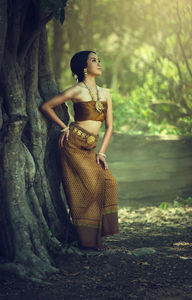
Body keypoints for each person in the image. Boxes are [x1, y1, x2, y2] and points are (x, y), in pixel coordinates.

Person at [40, 50, 118, 251]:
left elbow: (109, 126)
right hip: (73, 145)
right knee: (93, 186)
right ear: (85, 67)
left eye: (99, 60)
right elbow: (47, 106)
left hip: (91, 147)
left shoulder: (106, 93)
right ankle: (91, 242)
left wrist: (101, 153)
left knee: (109, 183)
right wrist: (63, 127)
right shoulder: (76, 90)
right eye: (94, 60)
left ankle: (94, 236)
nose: (99, 63)